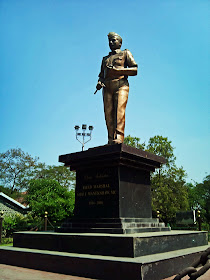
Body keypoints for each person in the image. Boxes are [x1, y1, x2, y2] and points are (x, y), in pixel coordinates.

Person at [96, 32, 138, 144]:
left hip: (121, 85)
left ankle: (119, 137)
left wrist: (119, 71)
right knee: (108, 115)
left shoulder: (125, 53)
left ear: (120, 42)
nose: (111, 42)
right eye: (109, 41)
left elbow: (135, 70)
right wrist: (99, 82)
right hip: (107, 87)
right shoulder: (105, 59)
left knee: (119, 112)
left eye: (113, 40)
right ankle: (110, 139)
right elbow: (101, 75)